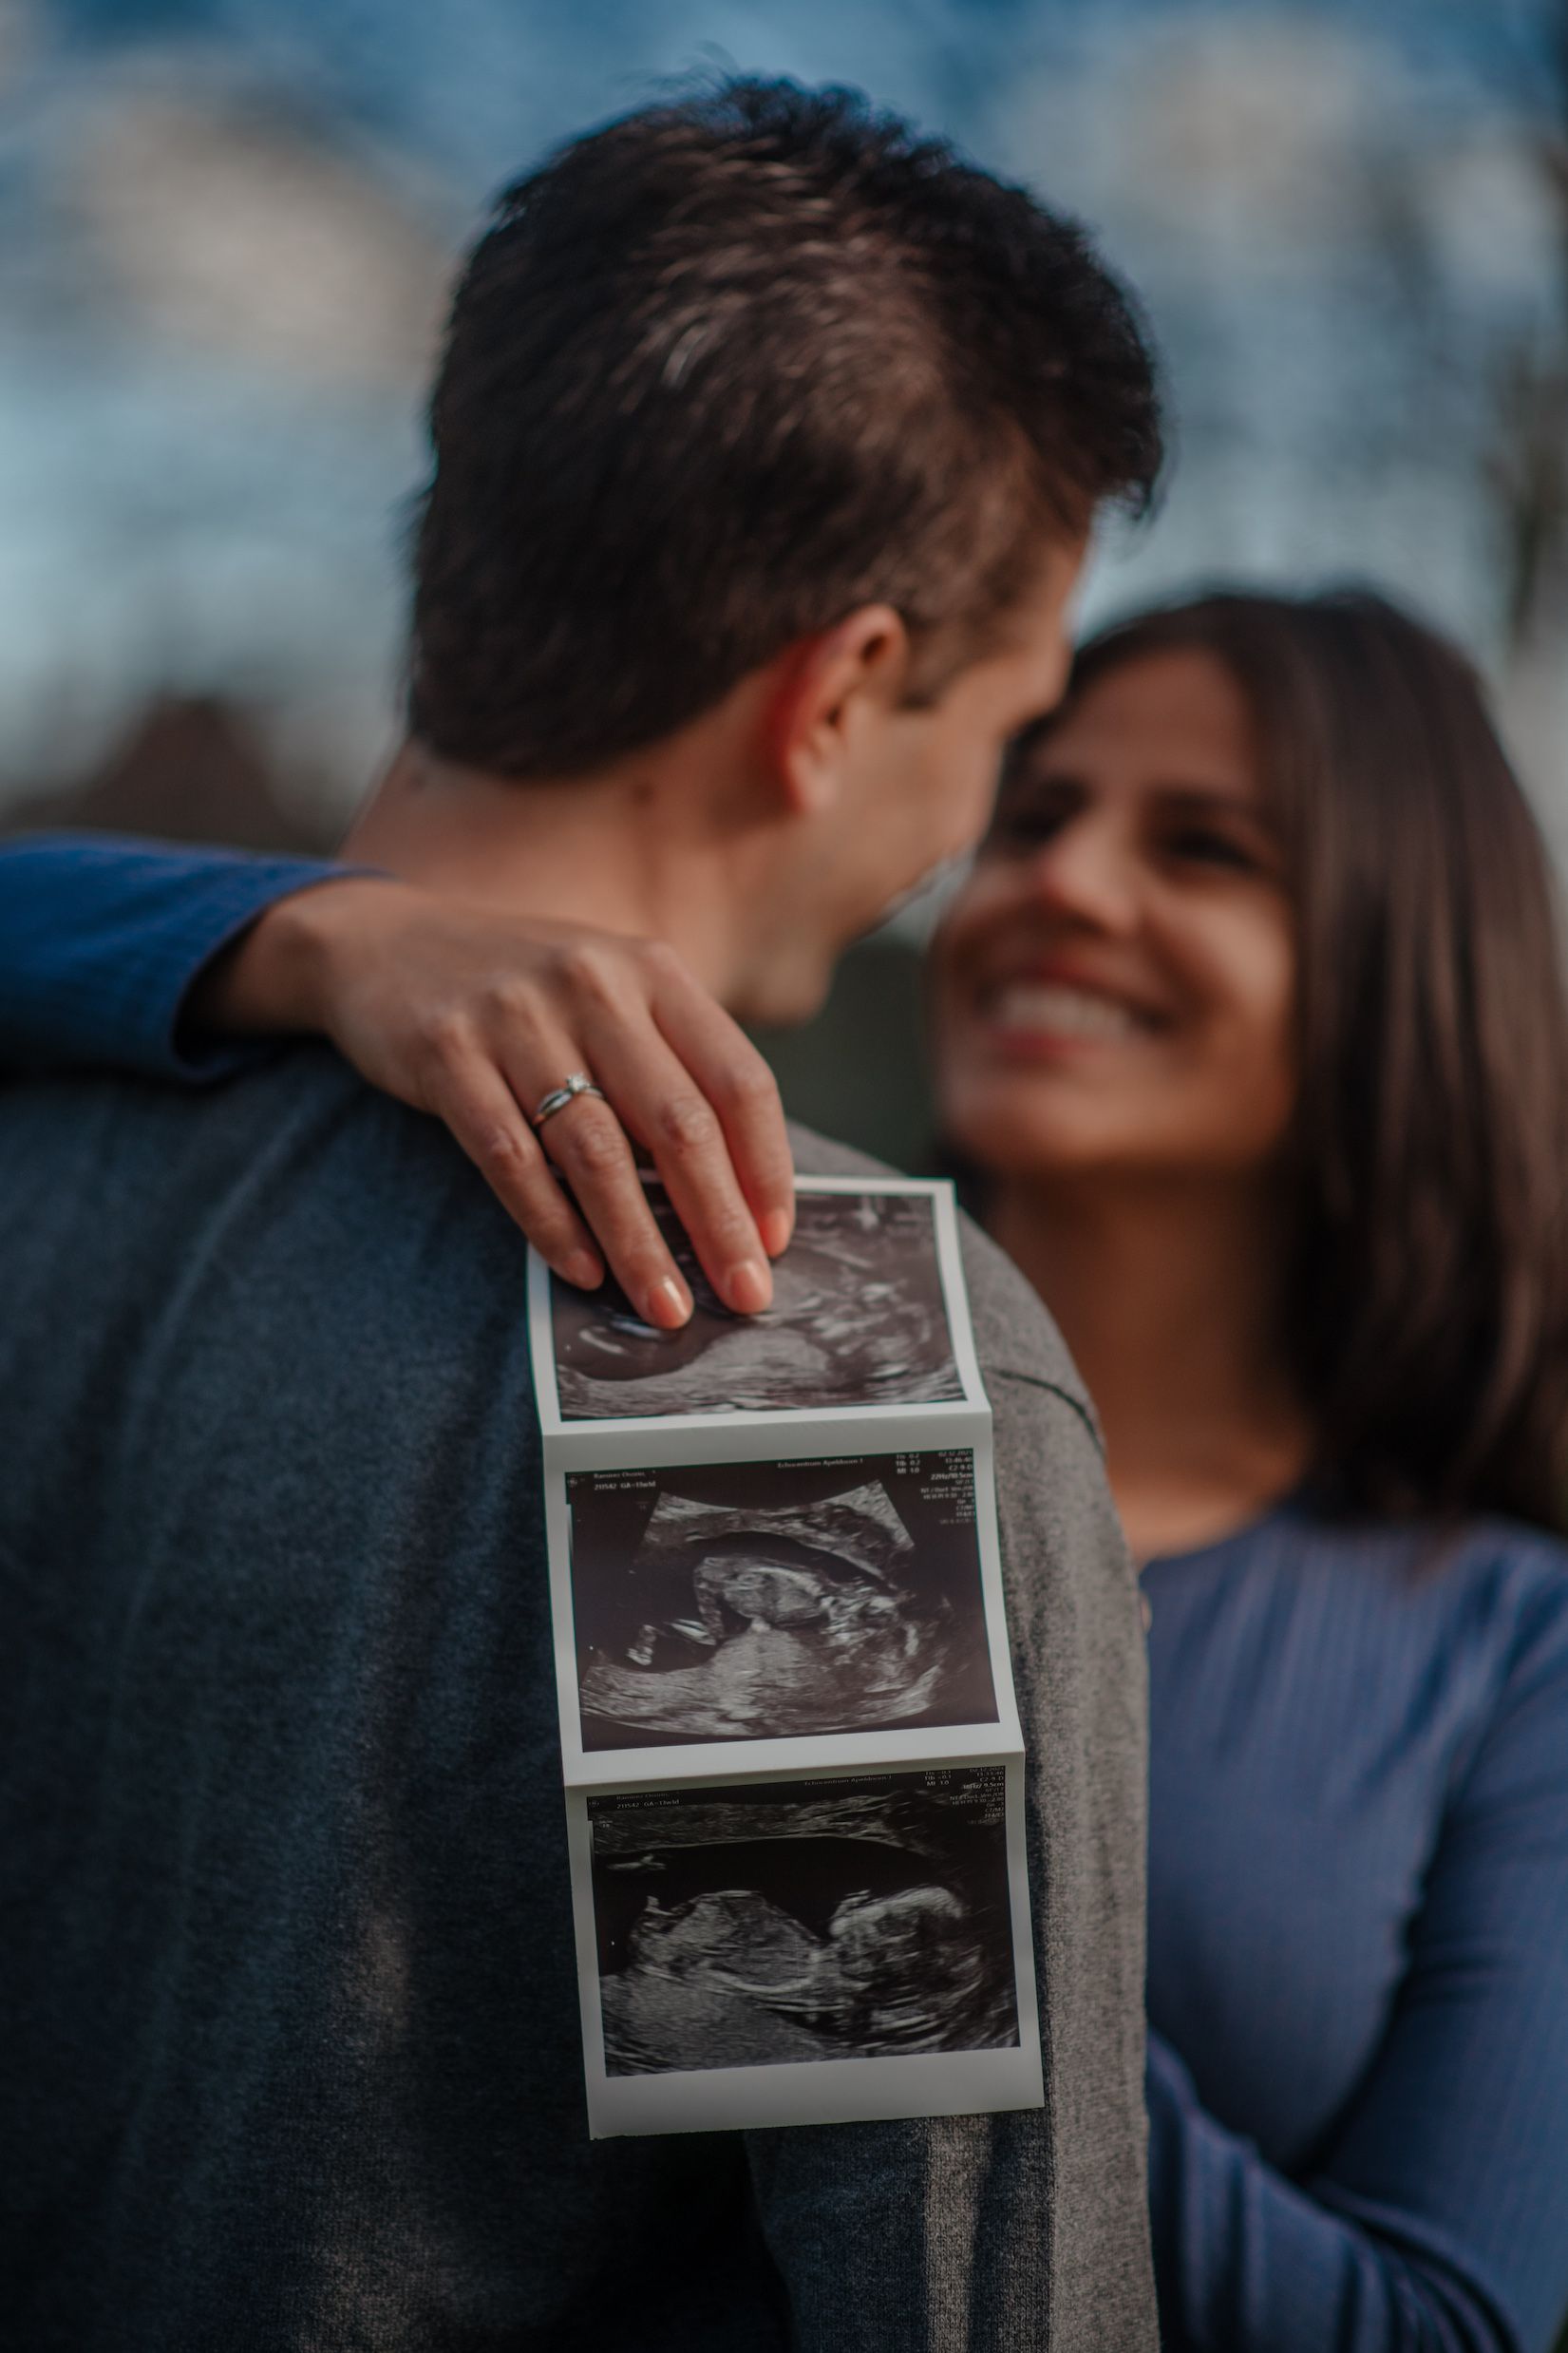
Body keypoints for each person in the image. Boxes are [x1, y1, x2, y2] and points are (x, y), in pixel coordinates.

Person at [13, 587, 1568, 2353]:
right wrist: (330, 935)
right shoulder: (706, 1359)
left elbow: (1446, 2319)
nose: (1063, 880)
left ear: (1407, 965)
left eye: (1204, 848)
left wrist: (957, 1895)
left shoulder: (1514, 1649)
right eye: (1035, 811)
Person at [0, 79, 1166, 2353]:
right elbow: (960, 2305)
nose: (975, 824)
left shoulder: (45, 1140)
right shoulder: (808, 1351)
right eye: (1004, 729)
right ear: (841, 694)